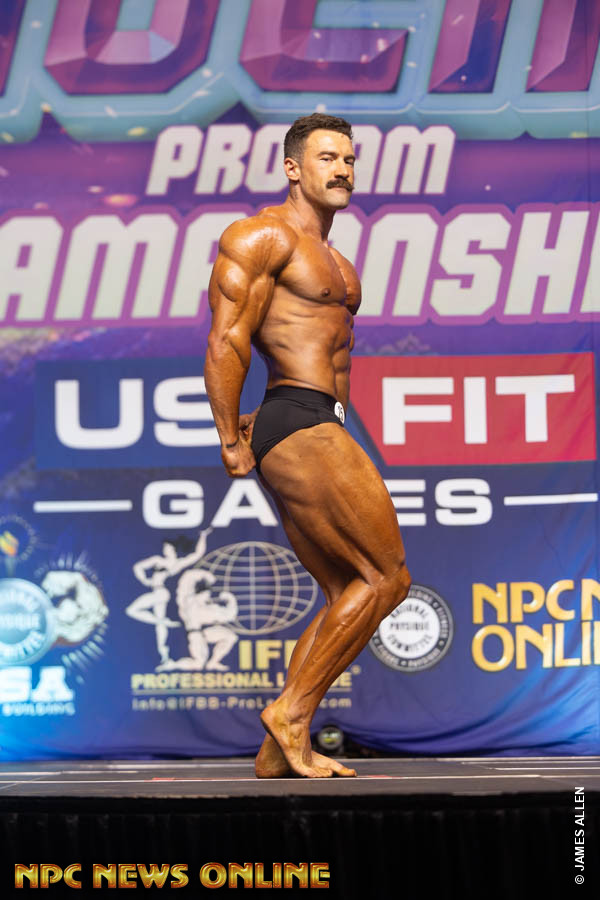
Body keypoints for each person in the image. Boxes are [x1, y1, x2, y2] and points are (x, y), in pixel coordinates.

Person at [205, 113, 411, 778]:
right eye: (327, 158)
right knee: (387, 578)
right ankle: (291, 715)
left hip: (322, 418)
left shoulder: (339, 263)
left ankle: (276, 750)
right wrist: (228, 435)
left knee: (347, 588)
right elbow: (229, 337)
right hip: (295, 416)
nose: (342, 169)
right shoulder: (262, 235)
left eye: (349, 159)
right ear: (293, 168)